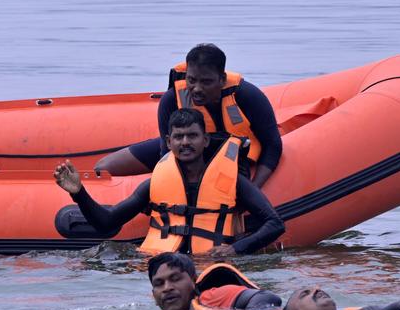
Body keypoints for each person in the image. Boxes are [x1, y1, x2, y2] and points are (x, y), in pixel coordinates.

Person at [55, 108, 285, 256]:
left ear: (205, 140)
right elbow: (106, 223)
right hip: (164, 270)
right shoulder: (154, 185)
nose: (185, 142)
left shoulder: (233, 182)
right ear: (169, 141)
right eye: (178, 137)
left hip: (212, 267)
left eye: (192, 136)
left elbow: (274, 224)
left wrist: (235, 249)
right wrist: (78, 193)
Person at [95, 43, 282, 188]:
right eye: (192, 80)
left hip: (234, 154)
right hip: (189, 150)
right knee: (103, 168)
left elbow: (273, 145)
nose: (197, 89)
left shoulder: (247, 96)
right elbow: (166, 152)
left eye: (206, 82)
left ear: (222, 79)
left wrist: (255, 187)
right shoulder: (172, 100)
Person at [147, 252, 281, 310]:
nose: (167, 288)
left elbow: (267, 297)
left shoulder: (211, 298)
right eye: (159, 284)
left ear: (194, 281)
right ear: (154, 296)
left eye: (175, 279)